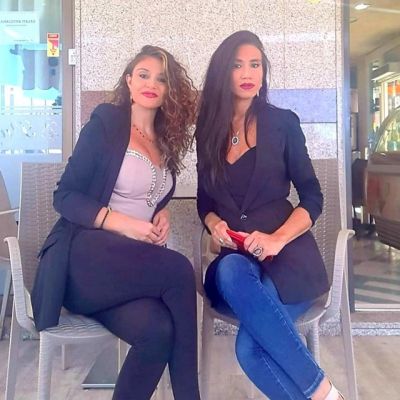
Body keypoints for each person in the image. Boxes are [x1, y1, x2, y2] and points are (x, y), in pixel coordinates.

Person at [31, 45, 201, 400]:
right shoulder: (107, 122)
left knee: (158, 331)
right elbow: (65, 196)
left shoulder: (164, 140)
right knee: (179, 270)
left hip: (124, 271)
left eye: (161, 79)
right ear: (129, 81)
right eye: (143, 75)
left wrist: (162, 211)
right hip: (85, 260)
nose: (151, 84)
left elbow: (149, 191)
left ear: (169, 90)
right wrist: (122, 223)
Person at [195, 31, 343, 400]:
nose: (248, 73)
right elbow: (204, 202)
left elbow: (312, 197)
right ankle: (325, 392)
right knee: (229, 268)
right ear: (224, 72)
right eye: (237, 65)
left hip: (289, 261)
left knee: (250, 349)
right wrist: (214, 226)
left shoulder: (283, 124)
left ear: (264, 71)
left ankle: (321, 392)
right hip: (238, 268)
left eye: (255, 64)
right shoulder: (208, 132)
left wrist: (277, 239)